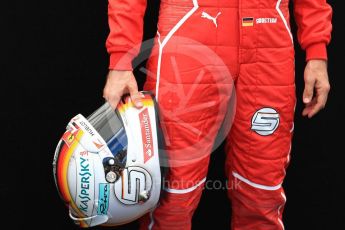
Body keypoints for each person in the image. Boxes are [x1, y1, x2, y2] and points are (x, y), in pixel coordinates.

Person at [103, 0, 332, 229]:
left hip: (269, 44)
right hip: (188, 36)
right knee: (172, 194)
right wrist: (121, 61)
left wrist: (317, 52)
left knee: (262, 190)